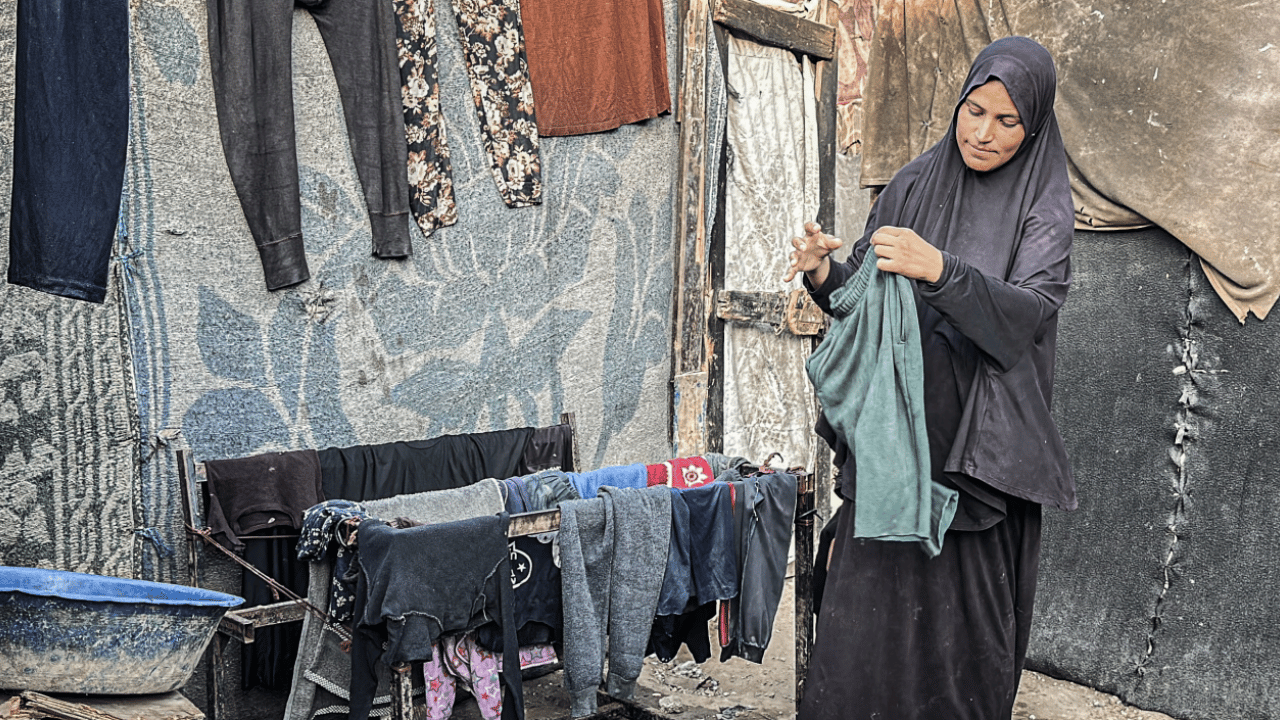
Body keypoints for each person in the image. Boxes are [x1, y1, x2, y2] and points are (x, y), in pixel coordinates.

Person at [787, 37, 1076, 720]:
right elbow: (861, 293)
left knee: (958, 649)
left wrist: (941, 270)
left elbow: (1028, 316)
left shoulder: (1045, 209)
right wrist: (822, 272)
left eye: (1007, 122)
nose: (982, 133)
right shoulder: (916, 183)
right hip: (893, 451)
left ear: (1033, 126)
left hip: (972, 463)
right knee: (861, 642)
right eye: (973, 111)